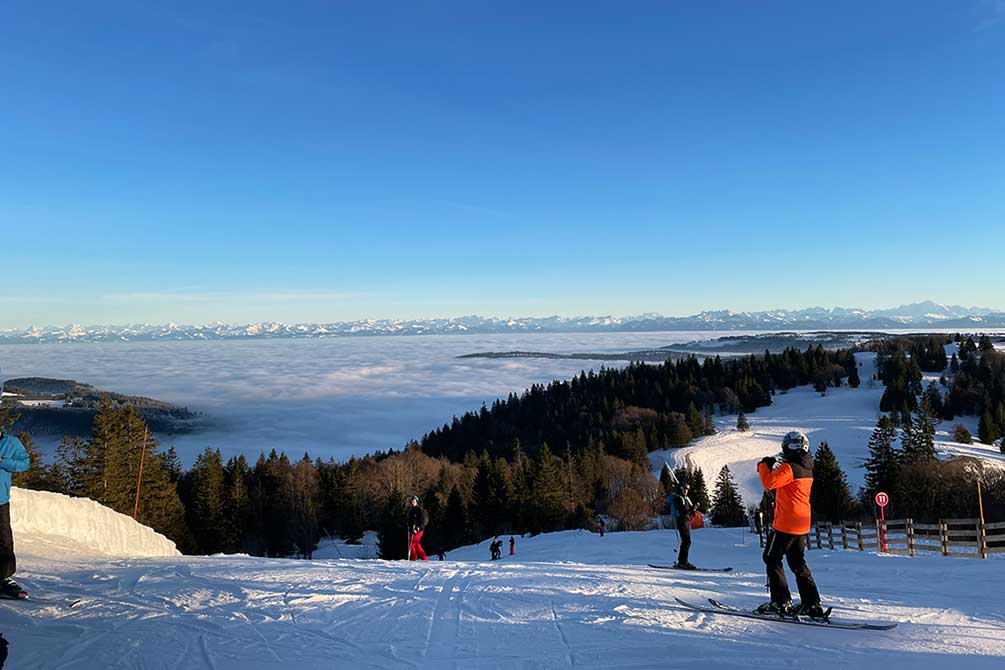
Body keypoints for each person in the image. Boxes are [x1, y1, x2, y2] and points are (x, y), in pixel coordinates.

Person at [755, 431, 824, 618]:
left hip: (786, 522)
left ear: (787, 447)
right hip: (801, 522)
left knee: (771, 558)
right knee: (797, 562)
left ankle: (781, 601)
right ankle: (812, 603)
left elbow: (769, 483)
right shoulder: (807, 467)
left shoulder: (790, 467)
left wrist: (764, 465)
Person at [0, 426, 29, 599]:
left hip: (0, 500)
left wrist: (2, 461)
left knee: (4, 541)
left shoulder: (11, 443)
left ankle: (3, 580)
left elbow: (24, 463)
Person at [669, 482, 696, 569]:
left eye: (687, 489)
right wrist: (691, 510)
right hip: (681, 521)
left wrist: (692, 511)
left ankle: (682, 561)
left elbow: (687, 511)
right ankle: (683, 562)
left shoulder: (685, 499)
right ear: (681, 489)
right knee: (686, 541)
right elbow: (682, 510)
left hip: (685, 521)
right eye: (684, 489)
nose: (686, 491)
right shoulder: (678, 498)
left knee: (686, 541)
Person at [406, 495, 429, 561]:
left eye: (413, 501)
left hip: (418, 530)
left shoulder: (420, 510)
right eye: (411, 501)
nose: (412, 503)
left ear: (416, 502)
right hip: (412, 530)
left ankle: (414, 559)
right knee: (416, 545)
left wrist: (418, 528)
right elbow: (409, 520)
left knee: (412, 544)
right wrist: (409, 526)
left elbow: (425, 520)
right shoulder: (411, 510)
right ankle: (424, 558)